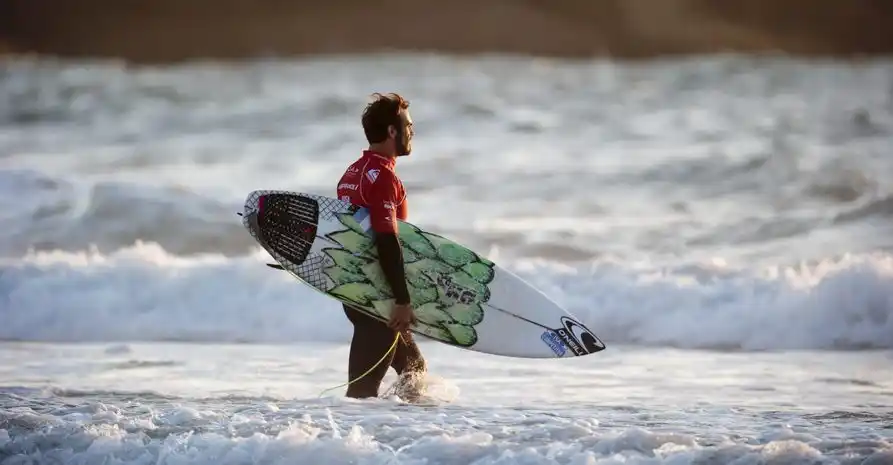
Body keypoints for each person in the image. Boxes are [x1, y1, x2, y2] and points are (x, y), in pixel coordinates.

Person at [334, 92, 427, 399]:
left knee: (415, 372)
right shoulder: (385, 178)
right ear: (392, 131)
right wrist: (402, 299)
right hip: (380, 300)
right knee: (361, 395)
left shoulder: (352, 173)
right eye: (408, 125)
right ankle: (343, 445)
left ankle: (398, 439)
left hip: (358, 291)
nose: (412, 131)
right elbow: (386, 238)